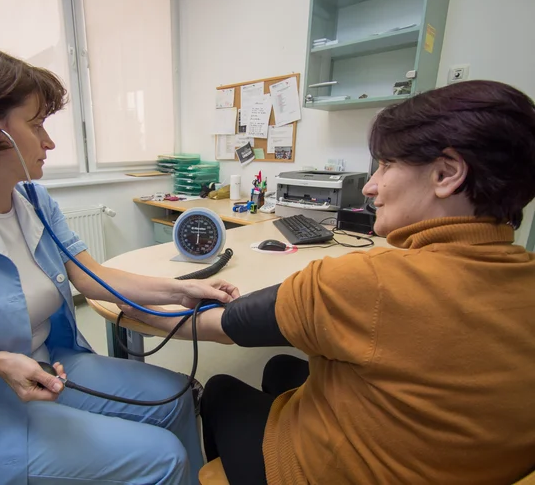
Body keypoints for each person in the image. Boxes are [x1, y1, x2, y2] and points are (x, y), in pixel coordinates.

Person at [123, 80, 535, 485]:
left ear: (446, 173)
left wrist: (134, 308)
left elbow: (225, 325)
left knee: (220, 389)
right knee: (283, 366)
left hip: (339, 470)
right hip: (460, 462)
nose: (371, 185)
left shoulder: (368, 281)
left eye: (387, 165)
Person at [0, 35, 240, 485]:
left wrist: (183, 288)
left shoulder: (33, 201)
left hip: (52, 365)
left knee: (178, 395)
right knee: (160, 457)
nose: (48, 142)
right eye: (36, 125)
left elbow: (94, 278)